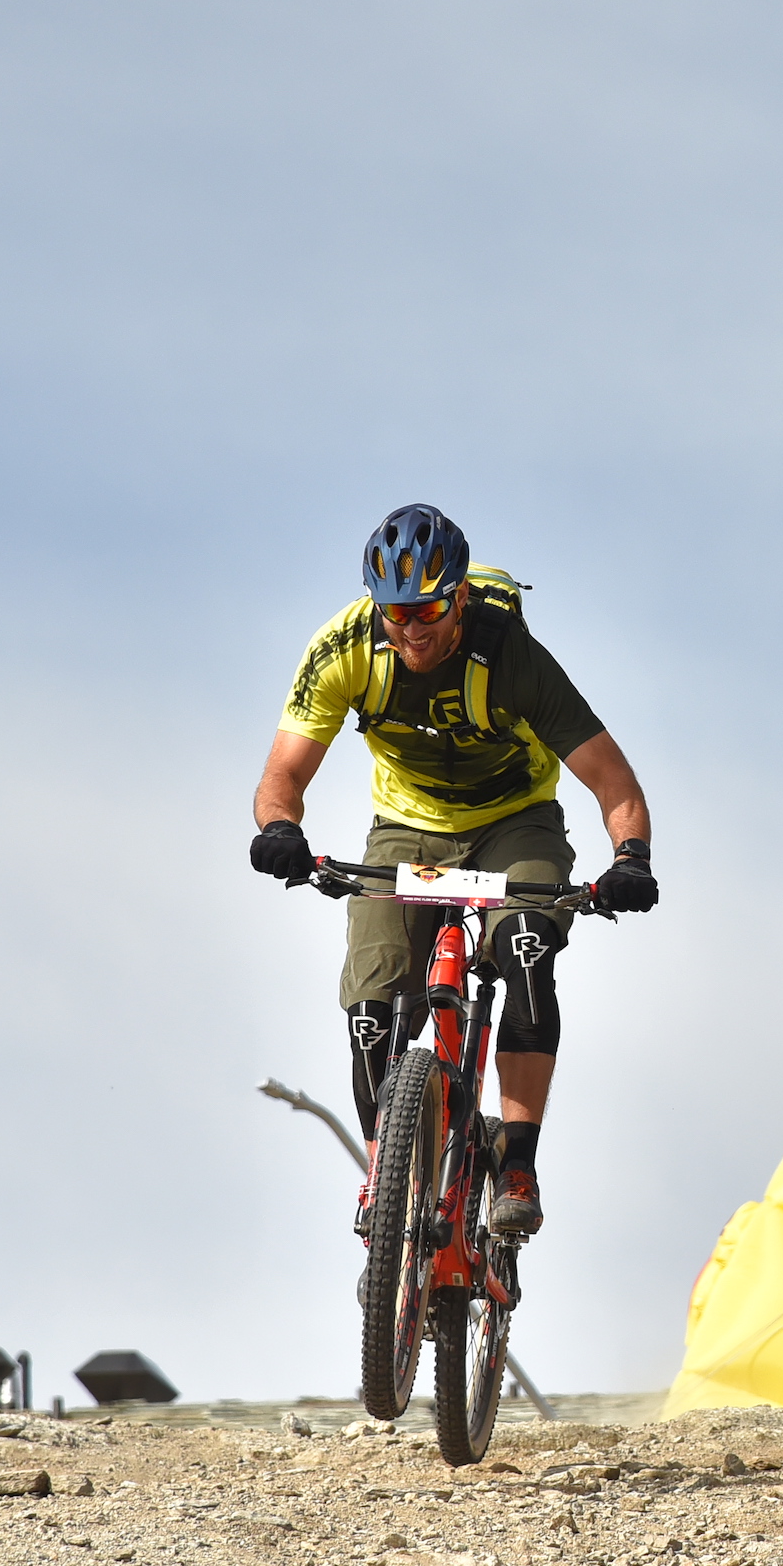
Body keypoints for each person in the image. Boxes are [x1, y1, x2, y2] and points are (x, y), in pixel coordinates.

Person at [248, 504, 656, 1240]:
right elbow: (281, 775)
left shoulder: (511, 658)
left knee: (526, 945)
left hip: (514, 819)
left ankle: (519, 1161)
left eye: (430, 608)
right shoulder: (344, 649)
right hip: (407, 829)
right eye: (396, 613)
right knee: (372, 1004)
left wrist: (629, 859)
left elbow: (614, 783)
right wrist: (281, 829)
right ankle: (385, 1175)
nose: (413, 629)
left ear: (460, 596)